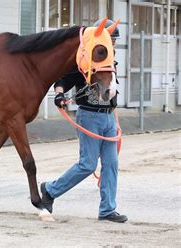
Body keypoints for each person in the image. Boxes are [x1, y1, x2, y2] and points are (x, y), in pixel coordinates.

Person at [40, 19, 128, 223]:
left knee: (111, 164)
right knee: (88, 165)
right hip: (89, 116)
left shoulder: (110, 63)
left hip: (109, 118)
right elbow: (62, 80)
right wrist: (59, 96)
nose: (111, 45)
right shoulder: (85, 61)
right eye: (110, 40)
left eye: (113, 40)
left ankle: (107, 210)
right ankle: (50, 190)